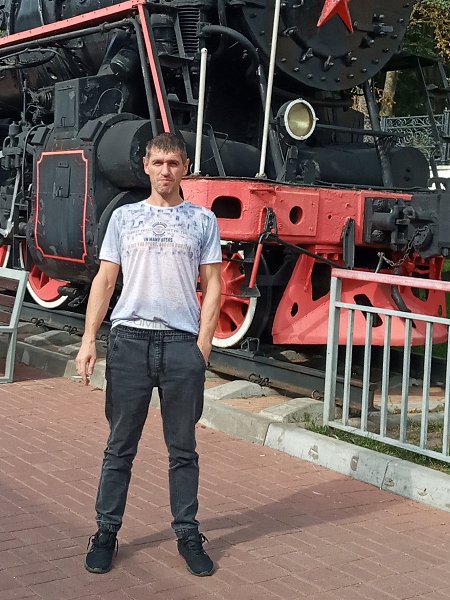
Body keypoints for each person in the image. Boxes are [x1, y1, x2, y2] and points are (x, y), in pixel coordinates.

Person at [75, 133, 222, 577]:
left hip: (181, 346)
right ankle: (106, 531)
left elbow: (213, 284)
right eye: (158, 162)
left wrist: (203, 346)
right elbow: (105, 281)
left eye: (173, 163)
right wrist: (88, 339)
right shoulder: (124, 218)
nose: (165, 171)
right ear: (145, 165)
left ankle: (188, 533)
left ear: (185, 167)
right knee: (120, 446)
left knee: (184, 449)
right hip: (130, 342)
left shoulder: (202, 220)